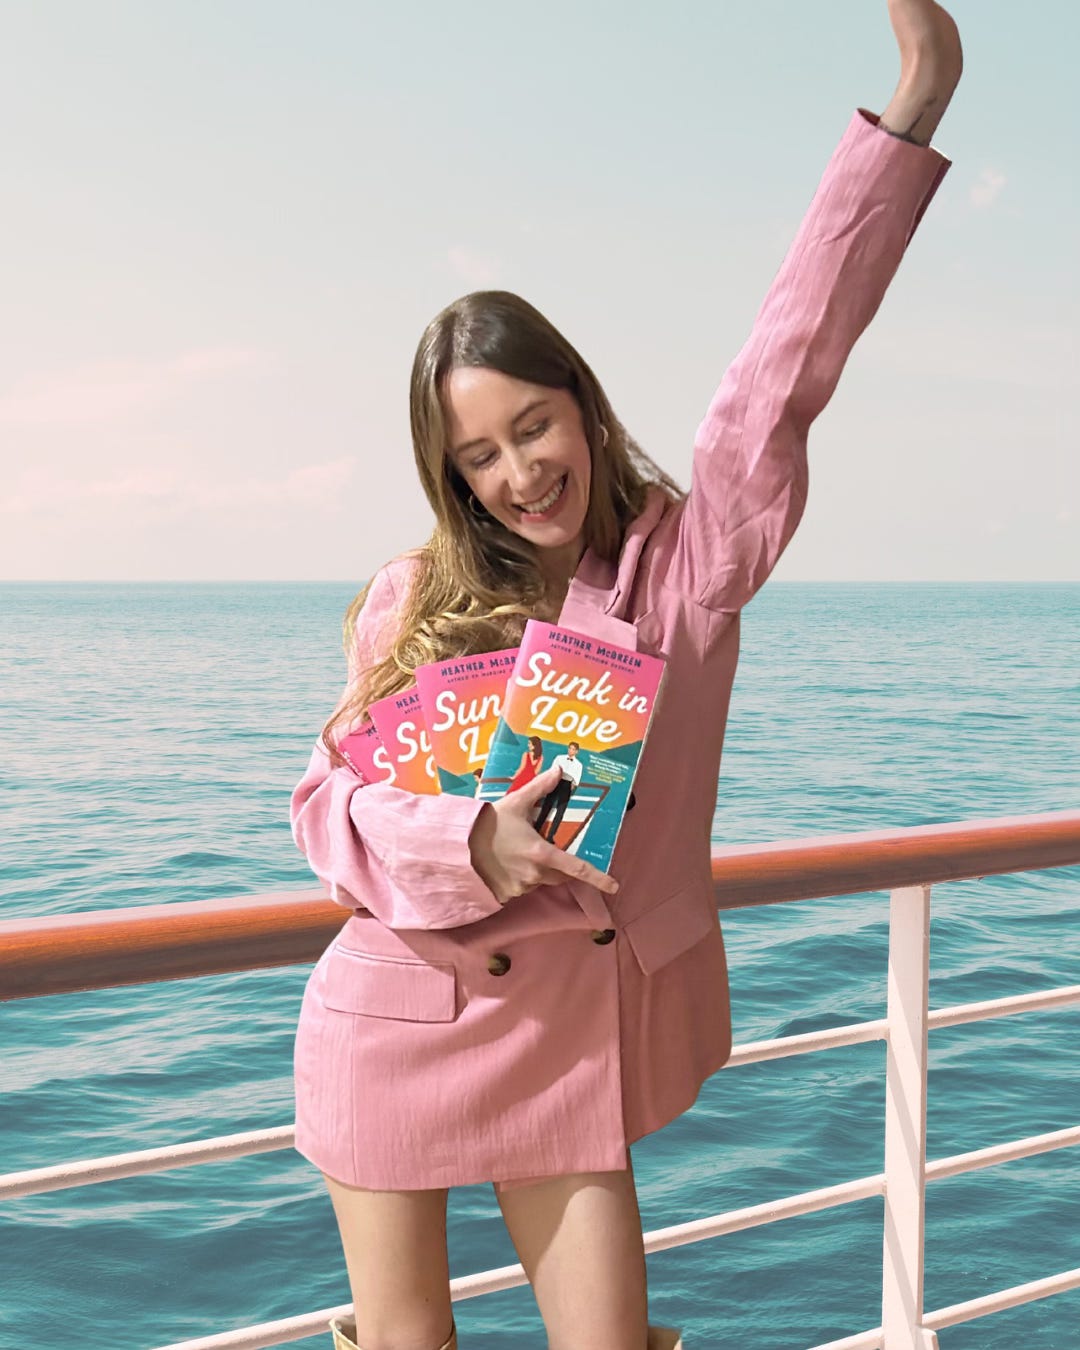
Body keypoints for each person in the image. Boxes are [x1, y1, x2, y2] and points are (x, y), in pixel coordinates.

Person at [289, 5, 962, 1347]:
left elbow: (781, 377)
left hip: (570, 1037)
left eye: (533, 425)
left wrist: (915, 103)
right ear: (450, 476)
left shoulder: (686, 569)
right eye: (478, 456)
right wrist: (474, 841)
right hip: (392, 1016)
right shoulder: (411, 598)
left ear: (583, 407)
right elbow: (327, 808)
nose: (519, 471)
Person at [533, 741, 583, 843]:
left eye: (573, 749)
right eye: (570, 748)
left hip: (567, 785)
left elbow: (576, 780)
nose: (571, 750)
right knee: (546, 806)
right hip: (556, 781)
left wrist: (570, 787)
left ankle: (550, 836)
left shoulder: (579, 765)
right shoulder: (559, 758)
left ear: (576, 751)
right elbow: (553, 770)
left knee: (560, 811)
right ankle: (536, 829)